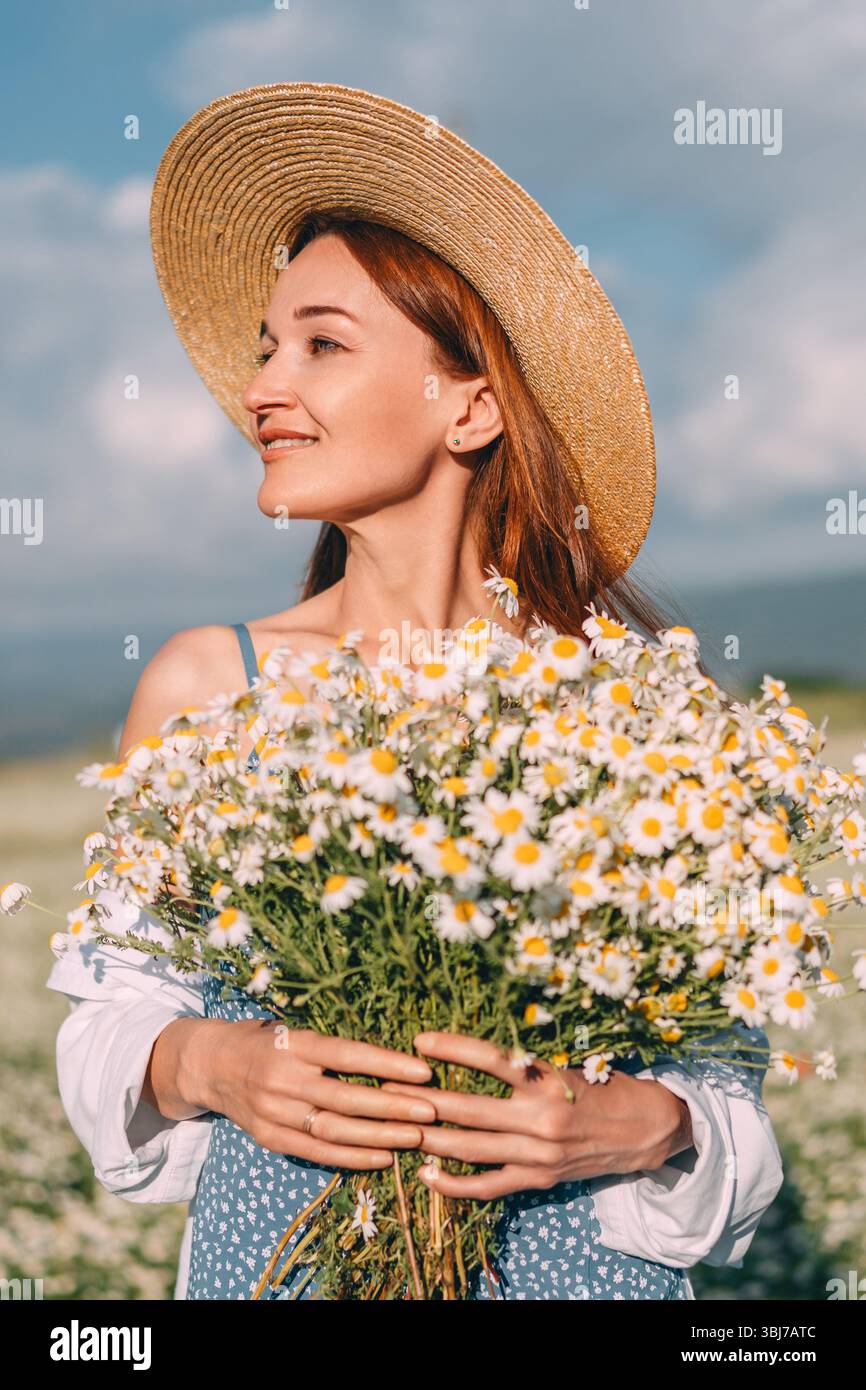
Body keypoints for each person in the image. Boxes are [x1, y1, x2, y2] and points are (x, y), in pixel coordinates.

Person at [47, 83, 784, 1300]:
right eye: (266, 348)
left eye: (323, 344)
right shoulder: (204, 686)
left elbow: (725, 1089)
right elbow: (106, 1037)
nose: (262, 391)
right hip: (278, 1269)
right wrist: (217, 1062)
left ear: (472, 405)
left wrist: (639, 1124)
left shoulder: (632, 711)